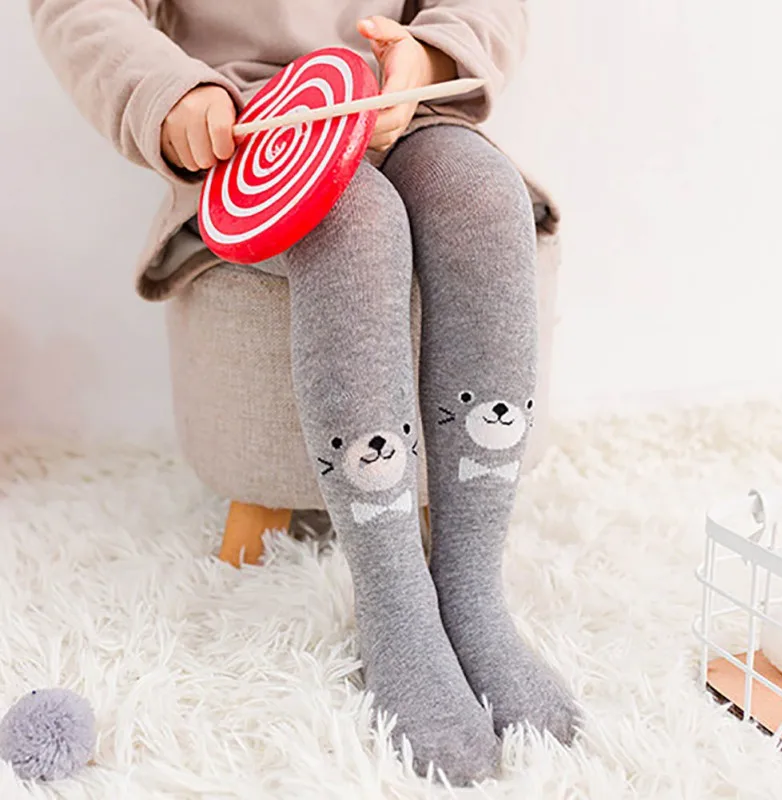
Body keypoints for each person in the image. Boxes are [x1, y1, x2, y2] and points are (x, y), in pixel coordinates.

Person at [28, 0, 578, 784]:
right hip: (252, 136)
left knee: (485, 197)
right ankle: (395, 606)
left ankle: (471, 591)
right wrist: (169, 94)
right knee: (352, 222)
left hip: (399, 111)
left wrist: (427, 57)